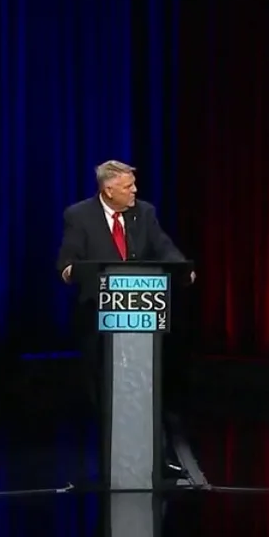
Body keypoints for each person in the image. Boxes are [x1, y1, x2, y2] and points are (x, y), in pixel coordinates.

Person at [55, 160, 194, 478]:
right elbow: (68, 259)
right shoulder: (78, 215)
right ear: (108, 190)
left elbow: (163, 247)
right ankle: (113, 457)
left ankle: (155, 456)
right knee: (104, 390)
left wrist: (182, 268)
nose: (135, 190)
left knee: (148, 386)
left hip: (142, 317)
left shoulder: (144, 212)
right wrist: (70, 271)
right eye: (128, 186)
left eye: (133, 184)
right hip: (97, 318)